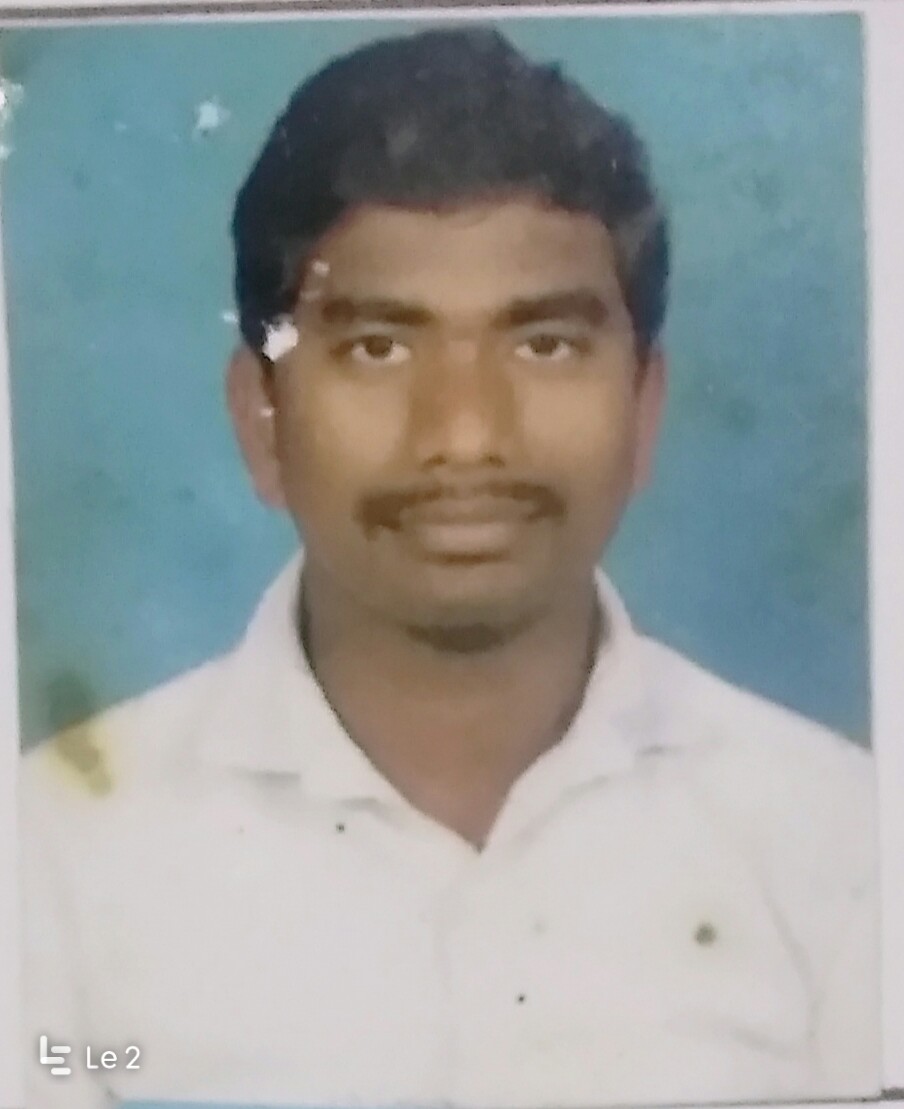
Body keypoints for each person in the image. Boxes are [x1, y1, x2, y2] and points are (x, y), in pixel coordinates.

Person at [20, 25, 879, 1109]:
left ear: (644, 409)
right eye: (377, 346)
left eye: (545, 343)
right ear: (261, 417)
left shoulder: (843, 844)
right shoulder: (50, 860)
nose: (466, 435)